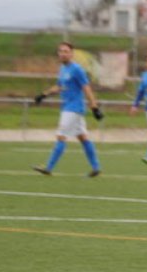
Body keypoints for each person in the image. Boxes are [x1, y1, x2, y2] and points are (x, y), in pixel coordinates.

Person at [32, 41, 103, 177]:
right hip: (68, 107)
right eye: (60, 51)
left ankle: (48, 167)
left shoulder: (77, 69)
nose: (62, 54)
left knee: (61, 136)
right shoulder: (63, 69)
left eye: (66, 51)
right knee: (82, 137)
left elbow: (86, 88)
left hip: (73, 108)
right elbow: (59, 86)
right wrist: (43, 94)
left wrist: (94, 107)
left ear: (71, 54)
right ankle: (96, 167)